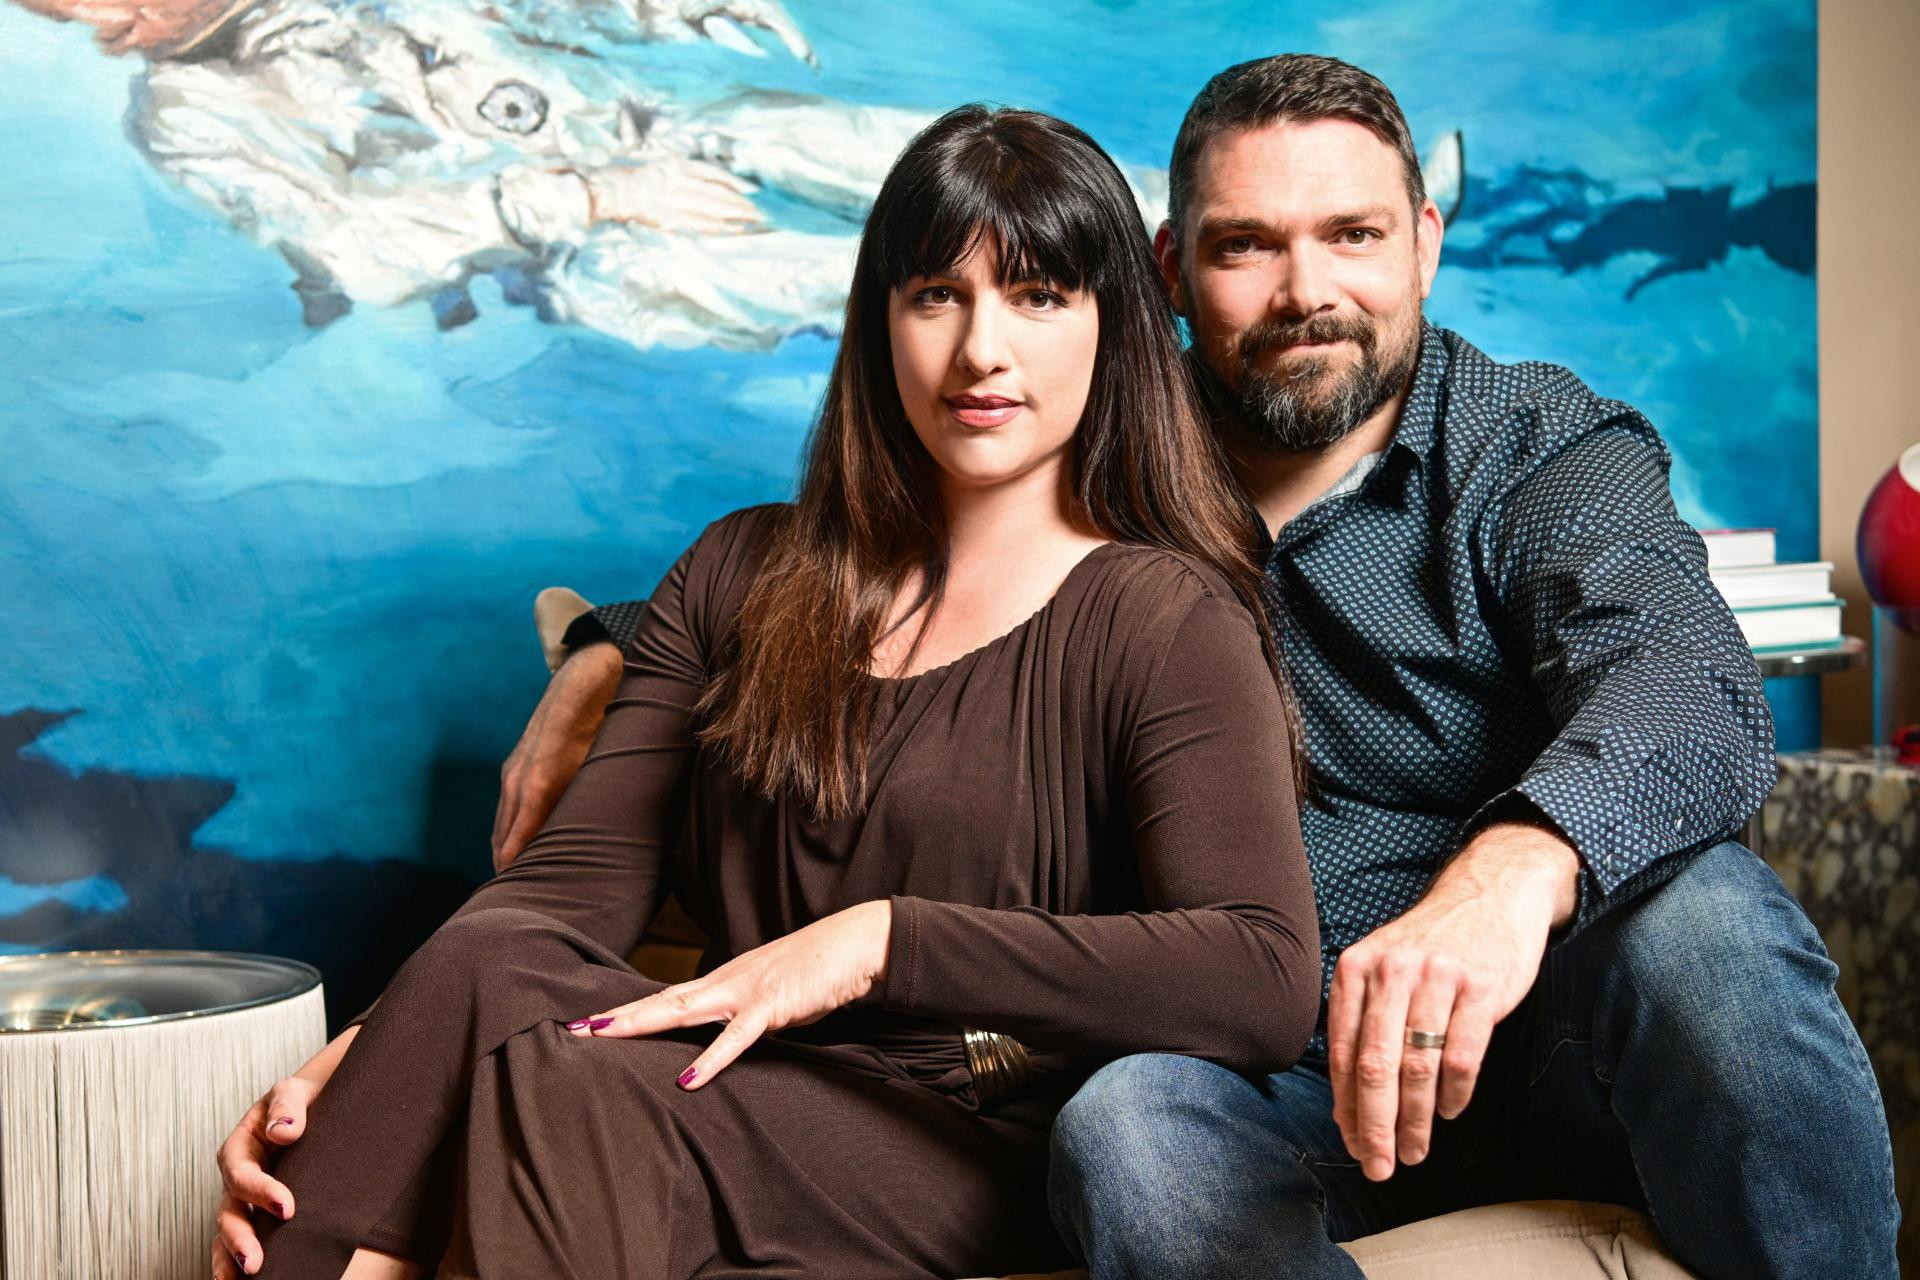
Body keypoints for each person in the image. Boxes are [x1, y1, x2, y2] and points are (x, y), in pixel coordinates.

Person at [487, 55, 1902, 1280]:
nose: (1307, 292)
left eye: (1352, 235)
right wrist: (618, 648)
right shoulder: (1090, 446)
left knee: (1707, 921)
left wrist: (1513, 871)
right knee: (1128, 1130)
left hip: (1555, 1033)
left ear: (1423, 243)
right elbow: (871, 548)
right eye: (1246, 248)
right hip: (1263, 1072)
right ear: (1166, 269)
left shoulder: (1538, 448)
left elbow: (1688, 680)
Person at [209, 104, 1323, 1280]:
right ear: (880, 322)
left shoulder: (1167, 617)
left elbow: (1259, 978)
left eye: (1039, 295)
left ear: (1114, 325)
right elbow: (564, 892)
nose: (981, 350)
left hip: (967, 1134)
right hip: (727, 1074)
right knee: (496, 973)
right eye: (936, 295)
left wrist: (883, 942)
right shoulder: (738, 569)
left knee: (579, 1083)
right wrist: (374, 1053)